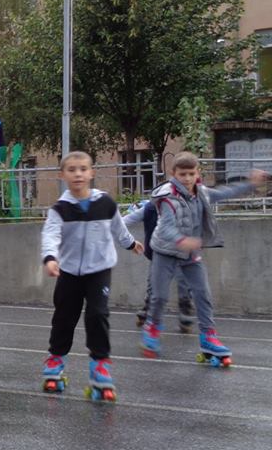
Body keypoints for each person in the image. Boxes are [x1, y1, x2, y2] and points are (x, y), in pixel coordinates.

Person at [142, 152, 269, 365]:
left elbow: (225, 192)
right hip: (165, 251)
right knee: (160, 296)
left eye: (191, 174)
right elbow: (165, 228)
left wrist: (250, 184)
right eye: (182, 174)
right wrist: (182, 240)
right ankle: (152, 328)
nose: (187, 178)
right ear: (173, 174)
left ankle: (208, 336)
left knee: (203, 293)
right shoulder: (168, 197)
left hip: (190, 253)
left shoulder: (201, 192)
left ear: (197, 173)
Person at [40, 151, 143, 400]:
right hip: (69, 271)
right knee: (64, 317)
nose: (78, 174)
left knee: (98, 314)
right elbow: (50, 234)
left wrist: (130, 243)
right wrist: (50, 258)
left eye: (83, 169)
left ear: (91, 173)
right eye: (72, 170)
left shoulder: (105, 203)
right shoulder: (60, 209)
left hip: (99, 269)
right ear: (62, 175)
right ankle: (56, 359)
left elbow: (118, 227)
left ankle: (100, 365)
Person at [123, 199, 194, 332]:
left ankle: (185, 314)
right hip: (160, 253)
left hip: (178, 252)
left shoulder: (181, 206)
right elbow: (124, 221)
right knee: (154, 283)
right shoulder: (149, 208)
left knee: (183, 282)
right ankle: (147, 309)